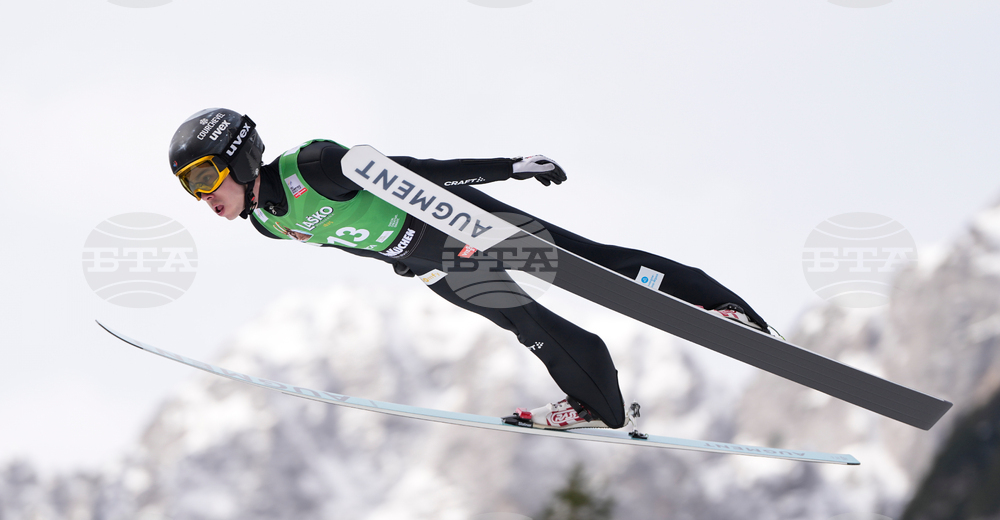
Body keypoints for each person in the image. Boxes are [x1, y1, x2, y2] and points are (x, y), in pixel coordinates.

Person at [169, 108, 775, 431]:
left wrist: (510, 167)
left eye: (202, 177)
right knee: (528, 324)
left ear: (236, 157)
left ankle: (722, 310)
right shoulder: (269, 223)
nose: (203, 197)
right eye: (188, 188)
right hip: (438, 266)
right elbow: (349, 240)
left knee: (593, 265)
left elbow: (417, 172)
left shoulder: (315, 166)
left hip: (465, 230)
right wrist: (407, 264)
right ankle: (598, 403)